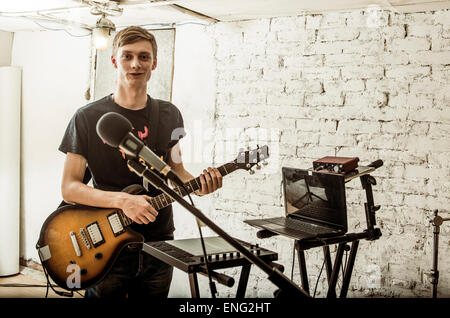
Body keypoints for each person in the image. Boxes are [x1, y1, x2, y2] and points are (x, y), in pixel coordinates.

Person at [59, 26, 222, 298]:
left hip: (159, 242)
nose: (136, 64)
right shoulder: (86, 117)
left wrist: (200, 186)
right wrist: (123, 201)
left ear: (154, 63)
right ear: (114, 61)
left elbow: (176, 170)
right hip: (105, 241)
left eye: (144, 57)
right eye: (127, 56)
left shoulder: (169, 114)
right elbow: (69, 187)